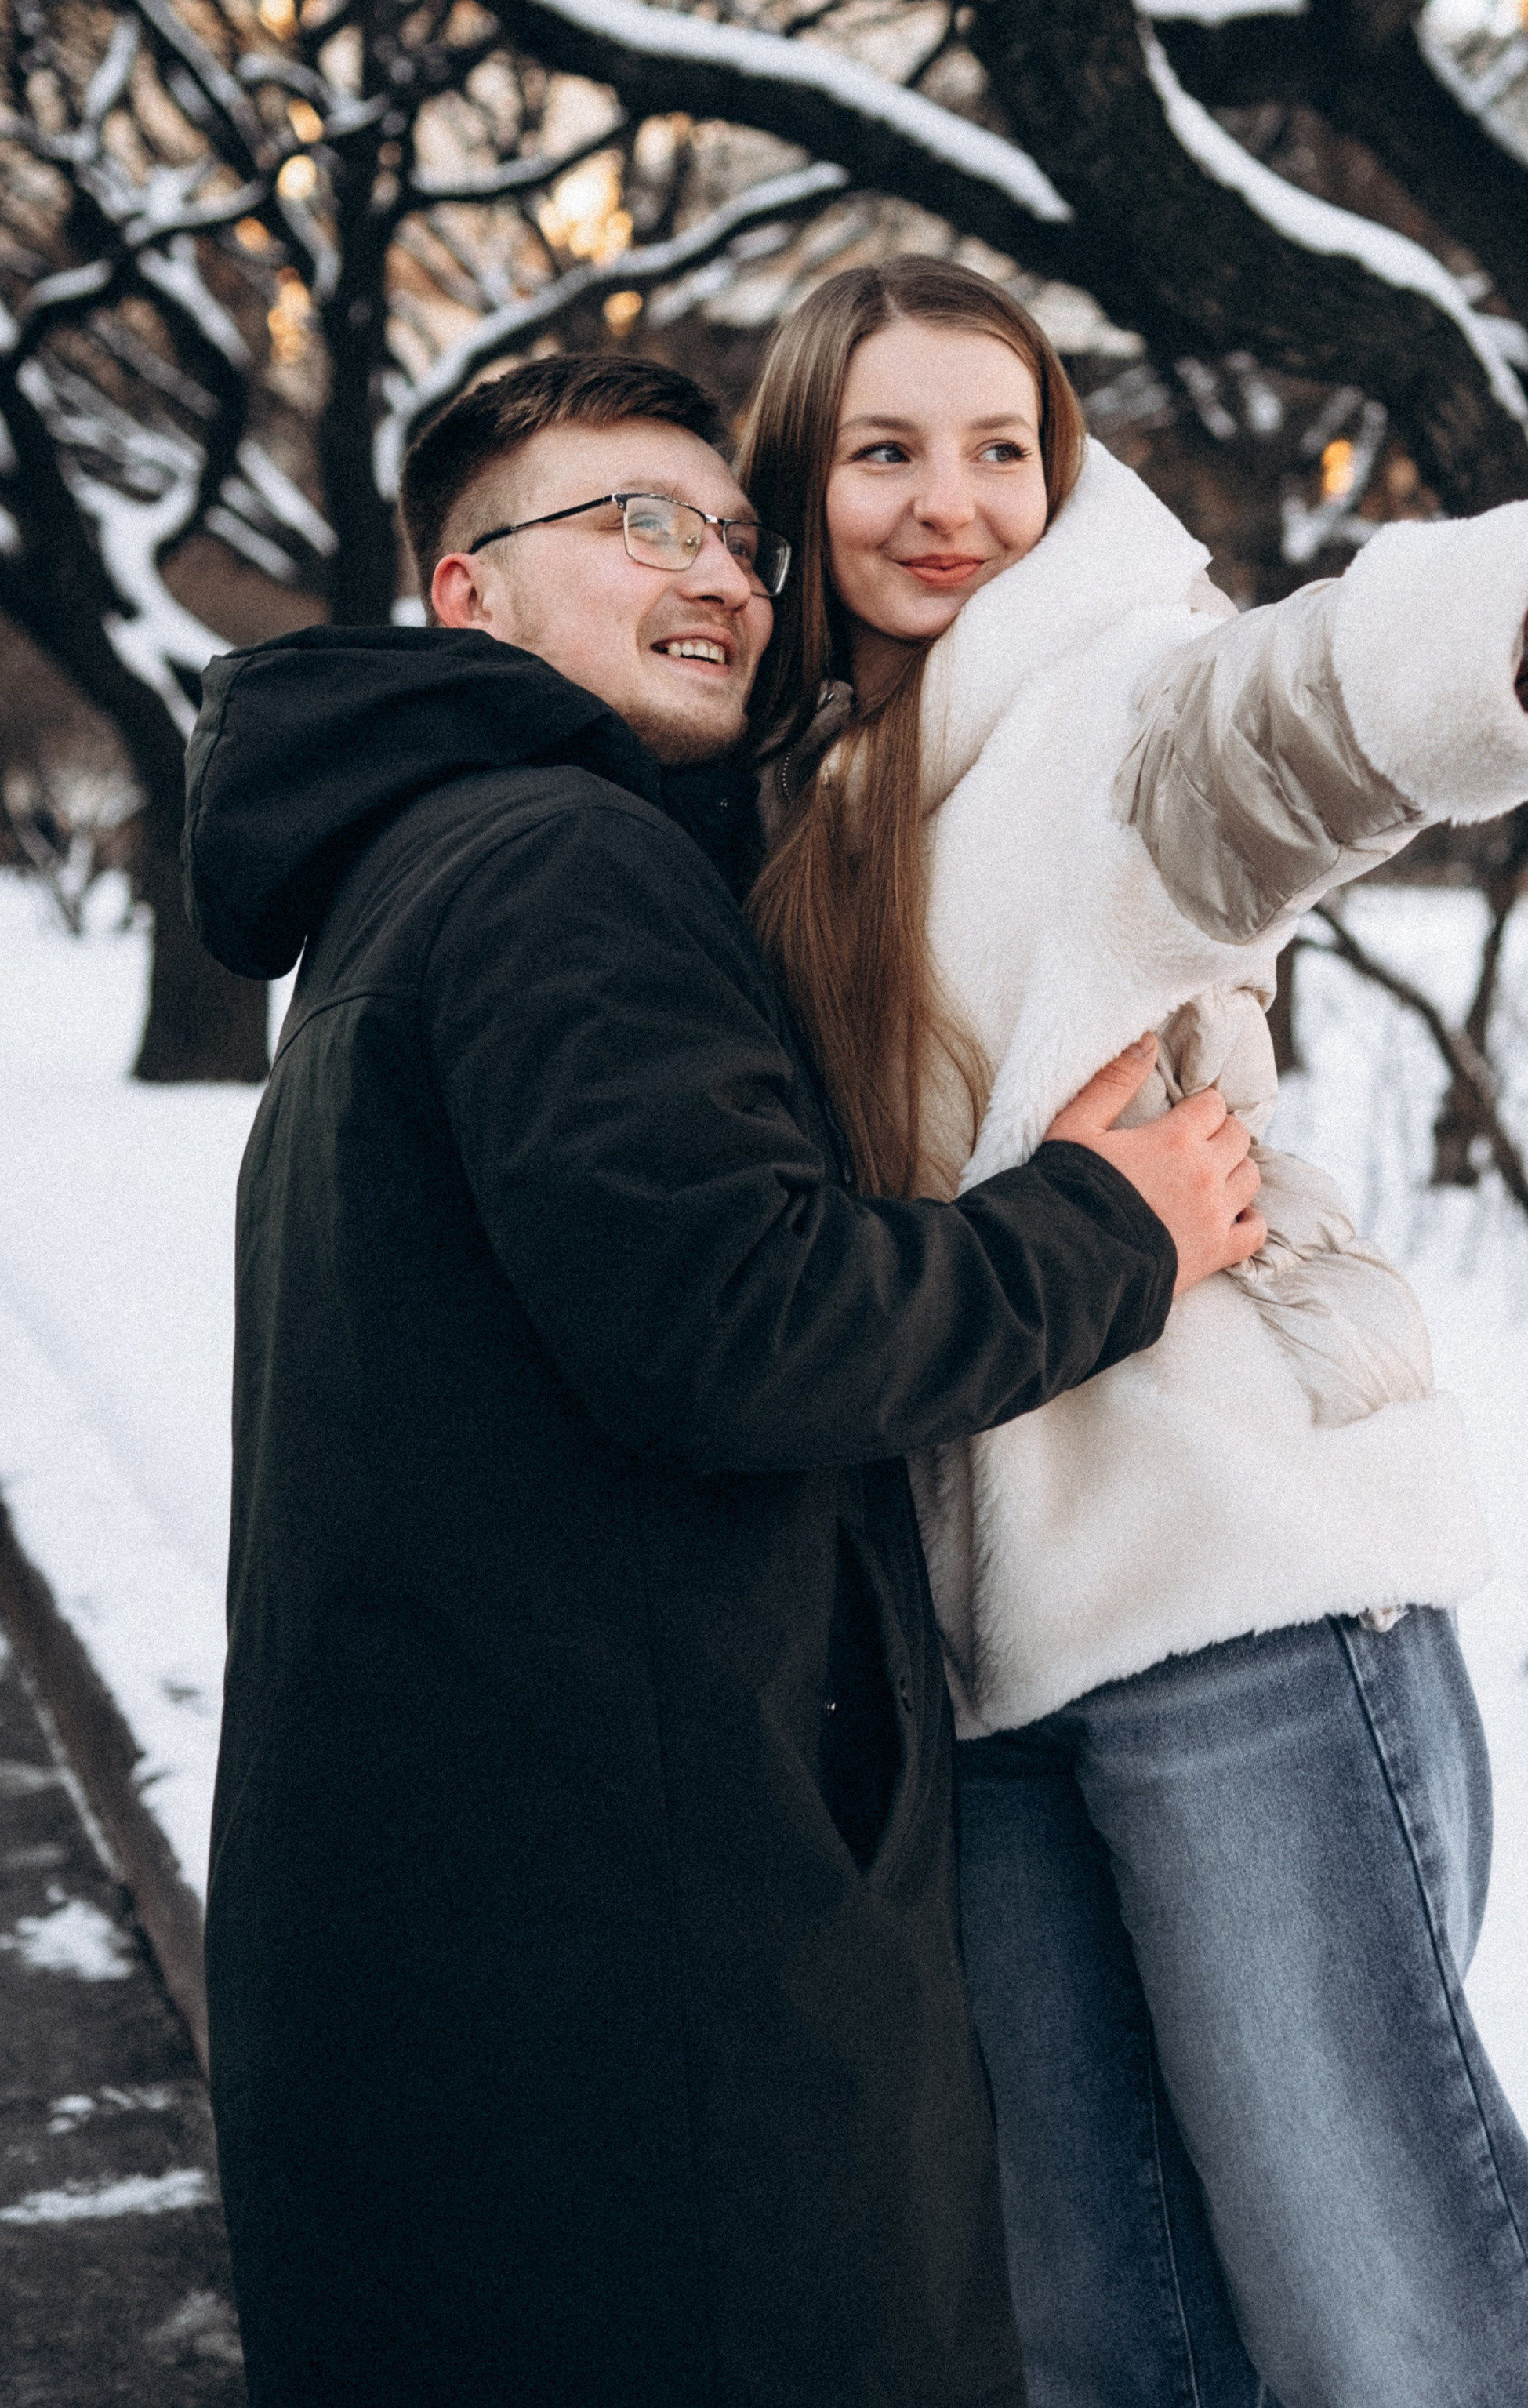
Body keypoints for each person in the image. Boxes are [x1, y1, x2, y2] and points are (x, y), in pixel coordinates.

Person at [736, 258, 1528, 2408]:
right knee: (1096, 2330)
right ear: (800, 477)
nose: (948, 502)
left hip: (1230, 1600)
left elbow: (1282, 728)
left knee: (1392, 2308)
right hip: (981, 1673)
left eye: (998, 447)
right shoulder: (794, 802)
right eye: (883, 451)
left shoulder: (1096, 702)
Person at [181, 352, 1268, 2408]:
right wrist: (1113, 1230)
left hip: (489, 1969)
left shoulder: (413, 883)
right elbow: (744, 1326)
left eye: (742, 541)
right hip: (634, 2009)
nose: (724, 577)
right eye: (636, 526)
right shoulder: (553, 870)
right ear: (466, 597)